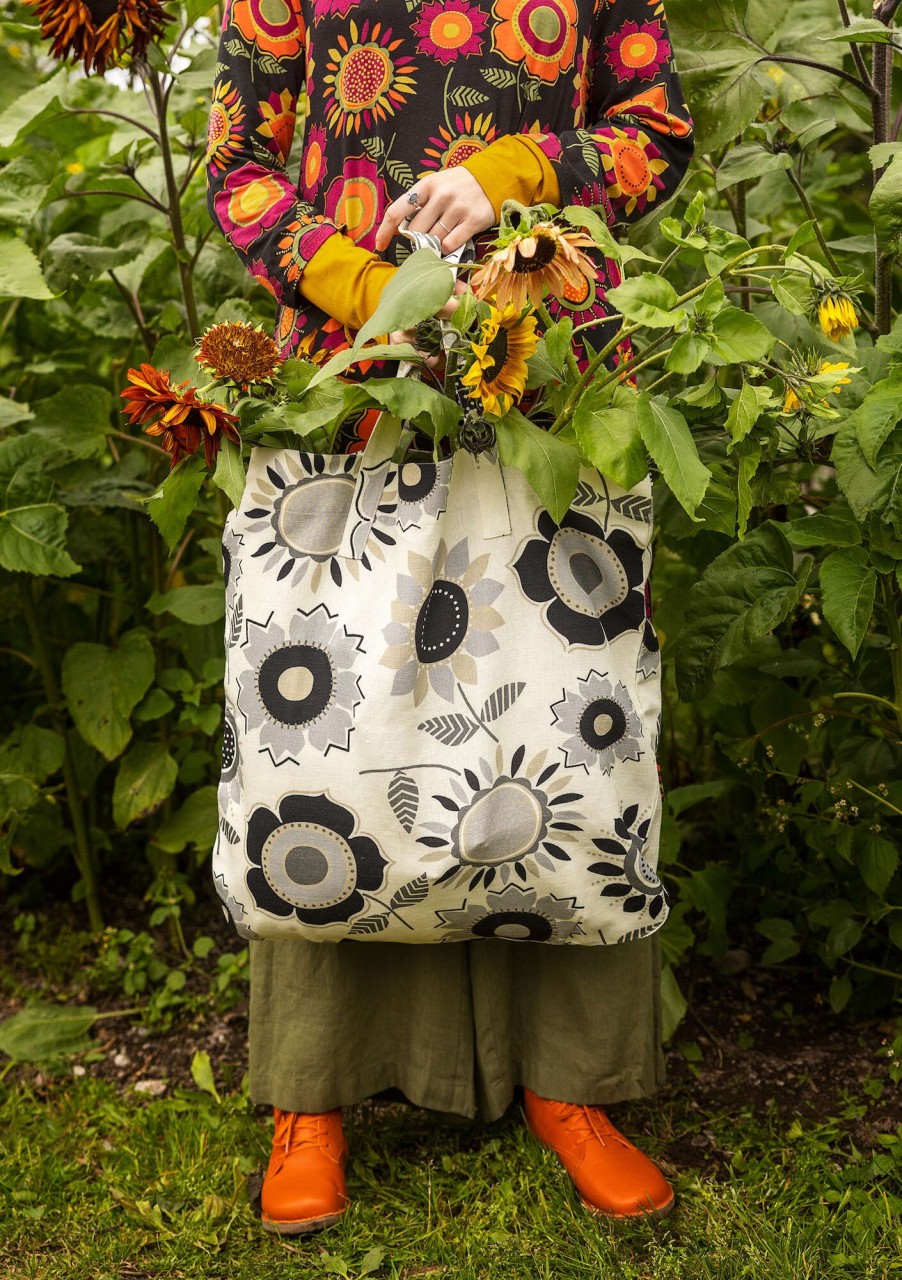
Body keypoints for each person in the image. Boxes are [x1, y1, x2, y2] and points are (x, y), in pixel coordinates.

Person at [205, 0, 694, 1236]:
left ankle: (570, 1081)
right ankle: (309, 1092)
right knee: (328, 719)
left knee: (561, 713)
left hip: (556, 373)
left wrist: (504, 178)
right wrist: (379, 289)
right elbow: (241, 169)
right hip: (346, 369)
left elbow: (652, 131)